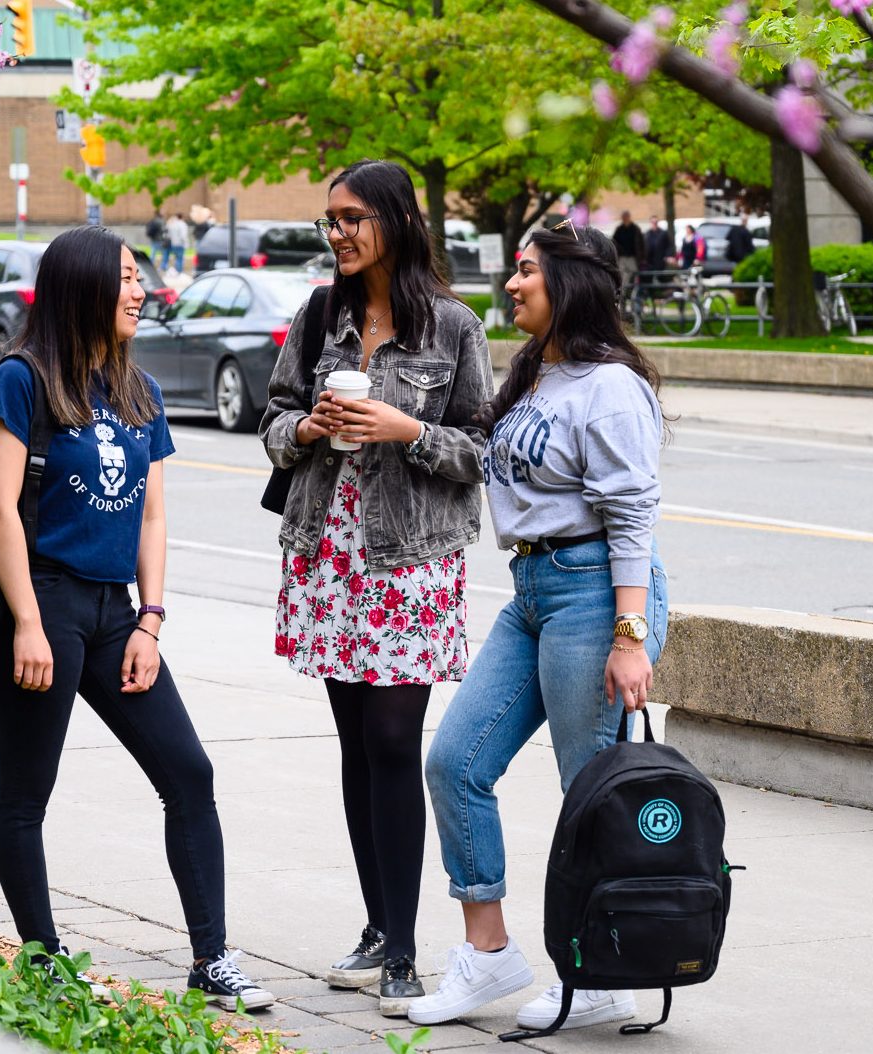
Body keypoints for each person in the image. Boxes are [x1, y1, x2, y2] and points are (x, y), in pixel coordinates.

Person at [0, 225, 274, 1013]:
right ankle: (42, 958)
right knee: (26, 795)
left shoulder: (136, 389)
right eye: (127, 278)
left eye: (141, 278)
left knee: (188, 775)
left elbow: (149, 517)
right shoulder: (22, 379)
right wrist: (28, 625)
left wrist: (151, 621)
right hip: (42, 606)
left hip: (115, 616)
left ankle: (211, 959)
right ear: (81, 288)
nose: (141, 292)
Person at [406, 223, 668, 1033]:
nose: (510, 281)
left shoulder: (609, 386)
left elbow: (632, 516)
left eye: (525, 270)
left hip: (595, 592)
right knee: (455, 762)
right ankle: (488, 957)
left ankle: (600, 972)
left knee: (587, 791)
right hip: (532, 590)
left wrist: (629, 637)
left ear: (570, 283)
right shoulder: (534, 374)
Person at [259, 158, 493, 1018]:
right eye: (331, 220)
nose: (339, 233)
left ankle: (403, 950)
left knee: (396, 742)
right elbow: (272, 421)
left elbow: (481, 449)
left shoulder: (455, 327)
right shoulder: (318, 315)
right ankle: (375, 927)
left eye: (353, 217)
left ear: (395, 219)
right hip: (326, 553)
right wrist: (308, 427)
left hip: (410, 562)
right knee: (357, 746)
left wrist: (407, 430)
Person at [611, 211, 642, 294]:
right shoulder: (619, 229)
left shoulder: (635, 229)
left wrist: (641, 258)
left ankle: (635, 294)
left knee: (635, 275)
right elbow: (614, 242)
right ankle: (623, 295)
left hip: (632, 257)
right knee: (622, 277)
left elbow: (641, 243)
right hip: (622, 257)